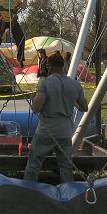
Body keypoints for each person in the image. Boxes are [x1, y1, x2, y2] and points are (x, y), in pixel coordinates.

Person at [24, 51, 88, 183]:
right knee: (66, 166)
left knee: (34, 164)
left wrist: (34, 99)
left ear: (50, 66)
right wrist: (71, 102)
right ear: (63, 65)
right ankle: (67, 191)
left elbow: (36, 108)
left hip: (47, 130)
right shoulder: (75, 84)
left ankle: (28, 189)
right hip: (65, 131)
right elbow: (84, 107)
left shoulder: (46, 83)